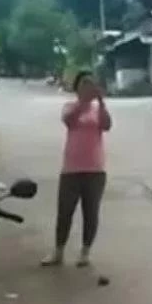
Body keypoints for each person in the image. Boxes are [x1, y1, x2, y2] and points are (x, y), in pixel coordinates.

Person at [42, 71, 111, 267]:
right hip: (71, 169)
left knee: (91, 213)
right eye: (85, 83)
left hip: (95, 169)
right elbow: (69, 120)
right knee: (65, 212)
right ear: (77, 87)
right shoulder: (70, 107)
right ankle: (58, 251)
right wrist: (84, 101)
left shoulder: (98, 110)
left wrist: (101, 101)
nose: (89, 87)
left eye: (91, 83)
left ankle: (85, 252)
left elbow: (106, 125)